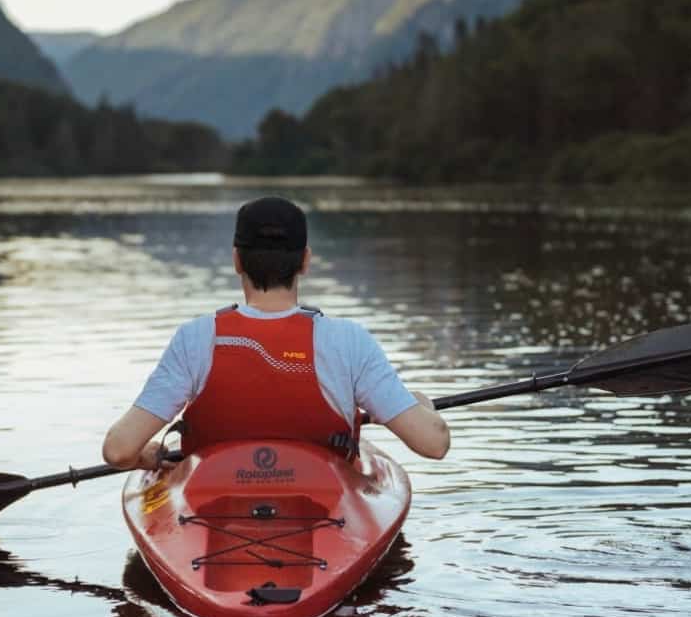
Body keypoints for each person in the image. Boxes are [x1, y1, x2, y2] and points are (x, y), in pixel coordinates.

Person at [102, 196, 450, 470]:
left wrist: (148, 457)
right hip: (322, 509)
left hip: (211, 508)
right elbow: (433, 444)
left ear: (237, 260)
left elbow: (118, 451)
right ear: (305, 261)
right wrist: (422, 407)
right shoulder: (348, 341)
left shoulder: (195, 339)